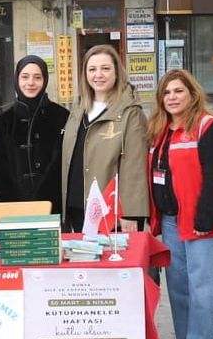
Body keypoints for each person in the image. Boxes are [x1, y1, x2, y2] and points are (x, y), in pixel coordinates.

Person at [148, 70, 213, 339]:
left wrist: (206, 218)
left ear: (192, 94)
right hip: (171, 221)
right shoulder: (161, 131)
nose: (172, 97)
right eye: (167, 92)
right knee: (180, 289)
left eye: (178, 91)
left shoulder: (207, 127)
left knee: (203, 288)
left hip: (201, 223)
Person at [60, 45, 149, 233]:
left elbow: (135, 165)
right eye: (92, 69)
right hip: (76, 206)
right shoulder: (78, 108)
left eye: (105, 68)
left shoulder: (130, 112)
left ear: (117, 71)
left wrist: (132, 213)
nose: (98, 75)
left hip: (111, 212)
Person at [0, 55, 69, 212]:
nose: (30, 83)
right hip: (13, 207)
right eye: (24, 77)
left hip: (53, 206)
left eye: (37, 77)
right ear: (17, 80)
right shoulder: (3, 122)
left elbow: (63, 164)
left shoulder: (62, 116)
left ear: (45, 80)